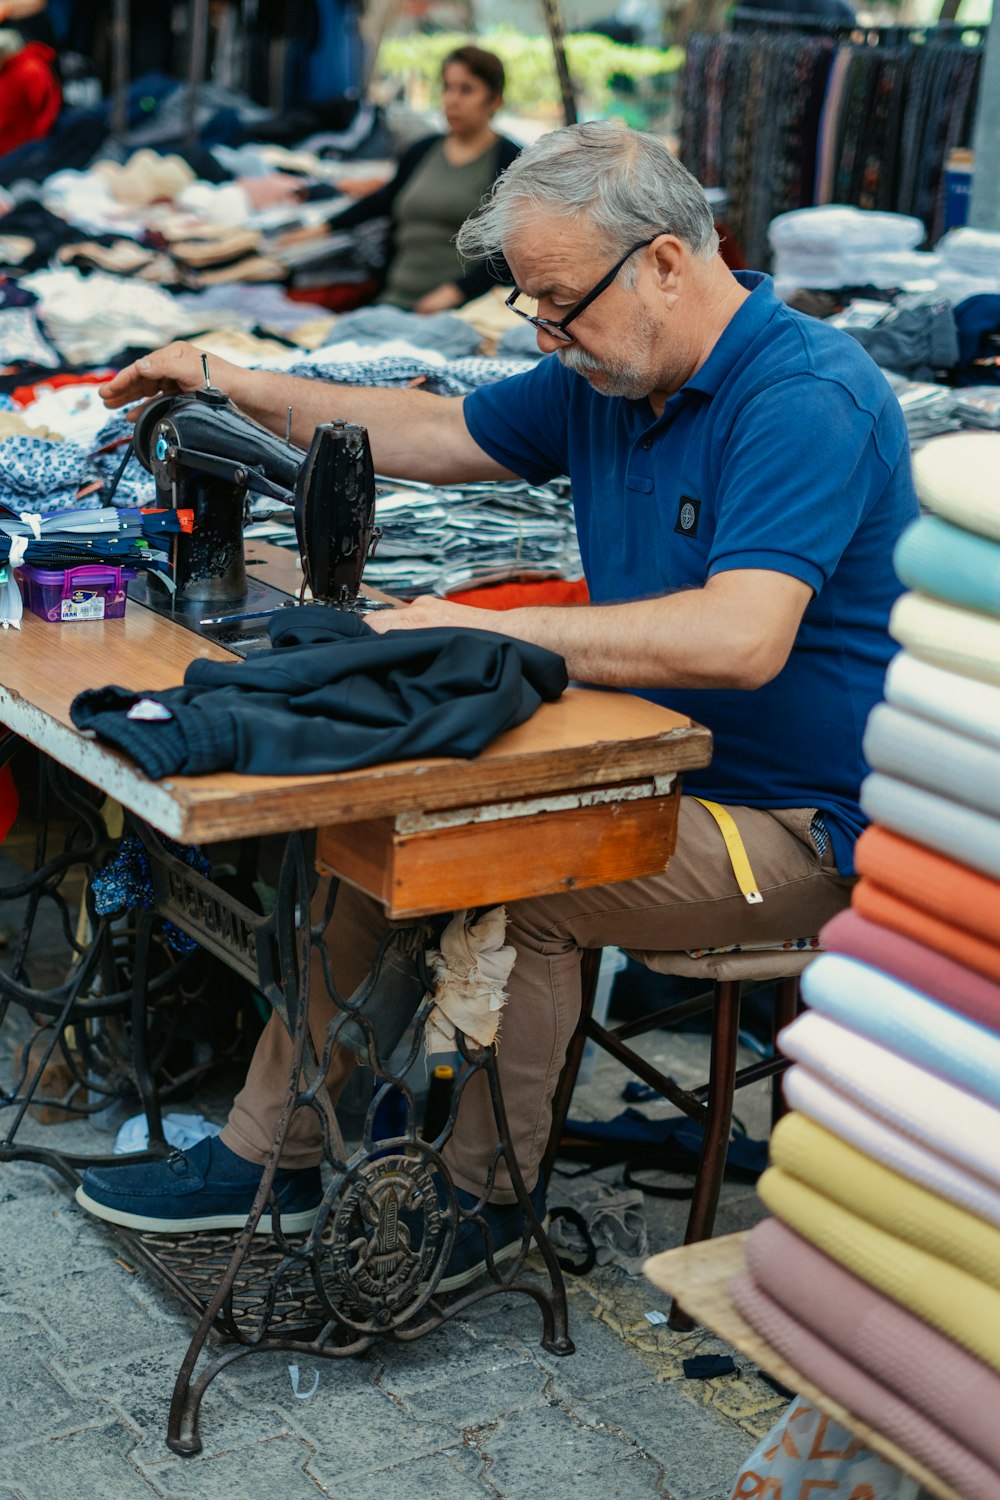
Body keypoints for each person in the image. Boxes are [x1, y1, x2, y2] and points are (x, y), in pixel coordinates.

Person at [77, 123, 918, 1288]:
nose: (548, 334)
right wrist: (227, 379)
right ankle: (274, 1155)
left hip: (796, 822)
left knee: (525, 886)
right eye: (533, 307)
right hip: (648, 759)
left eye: (560, 302)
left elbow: (740, 636)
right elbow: (432, 431)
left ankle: (485, 1202)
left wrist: (485, 626)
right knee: (373, 818)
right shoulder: (609, 374)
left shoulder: (805, 395)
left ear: (668, 260)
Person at [329, 44, 520, 314]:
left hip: (460, 312)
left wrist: (458, 292)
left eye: (466, 90)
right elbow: (382, 201)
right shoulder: (422, 151)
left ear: (495, 100)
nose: (452, 100)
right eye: (447, 88)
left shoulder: (511, 162)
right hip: (391, 303)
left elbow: (512, 250)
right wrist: (321, 228)